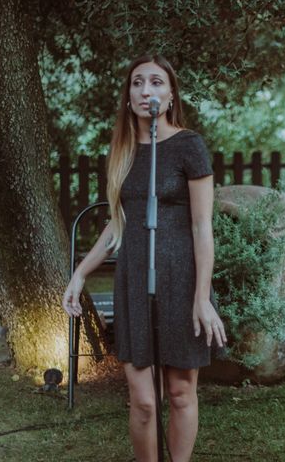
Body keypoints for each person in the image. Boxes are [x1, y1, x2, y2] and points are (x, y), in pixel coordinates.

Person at [62, 54, 227, 462]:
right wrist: (81, 273)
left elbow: (202, 226)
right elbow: (118, 224)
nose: (145, 91)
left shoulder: (189, 145)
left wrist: (202, 297)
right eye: (137, 83)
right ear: (128, 95)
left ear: (170, 96)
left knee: (180, 392)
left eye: (155, 83)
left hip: (183, 279)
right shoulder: (122, 151)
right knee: (145, 401)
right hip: (136, 280)